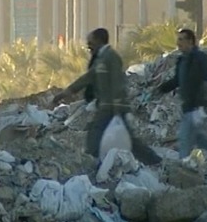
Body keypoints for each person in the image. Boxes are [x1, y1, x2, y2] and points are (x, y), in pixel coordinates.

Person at [53, 28, 161, 165]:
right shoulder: (101, 59)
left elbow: (117, 82)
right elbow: (88, 78)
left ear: (99, 40)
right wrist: (66, 92)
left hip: (113, 107)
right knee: (126, 140)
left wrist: (116, 107)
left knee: (97, 134)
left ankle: (91, 160)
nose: (88, 45)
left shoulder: (111, 57)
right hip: (107, 106)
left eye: (91, 42)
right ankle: (153, 160)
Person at [156, 28, 207, 159]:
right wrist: (160, 89)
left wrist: (204, 104)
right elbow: (177, 80)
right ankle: (186, 166)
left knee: (197, 140)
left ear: (190, 41)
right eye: (178, 39)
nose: (178, 42)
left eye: (182, 39)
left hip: (199, 108)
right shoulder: (181, 61)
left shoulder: (200, 58)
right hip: (188, 108)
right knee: (194, 139)